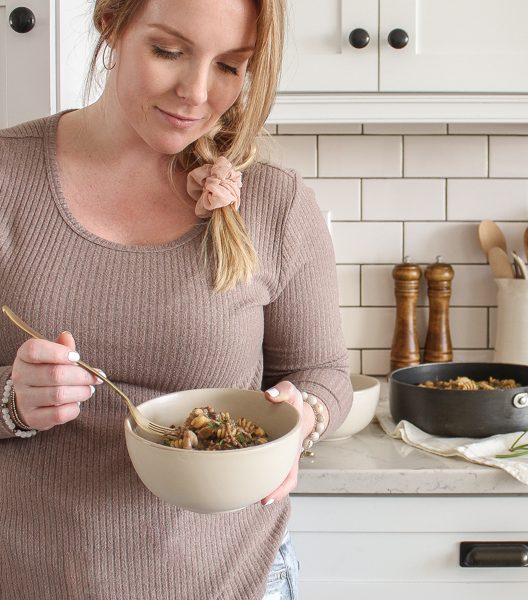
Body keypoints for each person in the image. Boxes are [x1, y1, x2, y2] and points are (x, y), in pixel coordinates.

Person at [0, 0, 352, 597]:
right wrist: (10, 403)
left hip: (236, 581)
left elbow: (324, 372)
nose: (195, 92)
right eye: (168, 51)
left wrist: (304, 417)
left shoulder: (276, 202)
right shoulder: (9, 177)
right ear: (110, 22)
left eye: (230, 66)